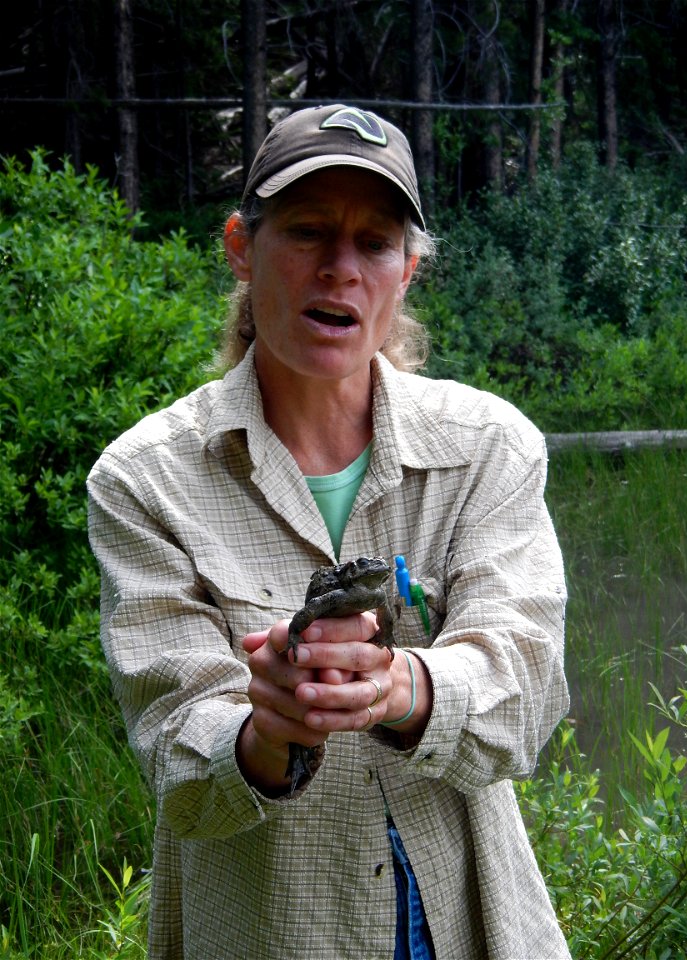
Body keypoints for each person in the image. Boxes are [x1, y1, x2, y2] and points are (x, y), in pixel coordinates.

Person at [87, 103, 571, 960]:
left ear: (409, 269)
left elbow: (526, 694)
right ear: (242, 245)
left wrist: (399, 688)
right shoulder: (145, 478)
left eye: (376, 242)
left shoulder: (490, 448)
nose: (340, 269)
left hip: (469, 918)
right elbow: (176, 751)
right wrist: (266, 729)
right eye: (308, 232)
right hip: (267, 928)